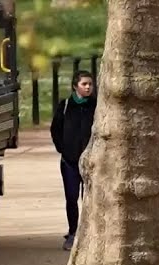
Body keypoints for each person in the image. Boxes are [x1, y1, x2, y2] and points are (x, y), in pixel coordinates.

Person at [49, 71, 96, 251]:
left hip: (91, 161)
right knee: (71, 197)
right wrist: (63, 148)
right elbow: (55, 129)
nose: (88, 87)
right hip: (69, 161)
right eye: (84, 84)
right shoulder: (66, 105)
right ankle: (73, 232)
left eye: (90, 84)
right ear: (75, 86)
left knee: (90, 198)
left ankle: (90, 233)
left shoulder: (96, 106)